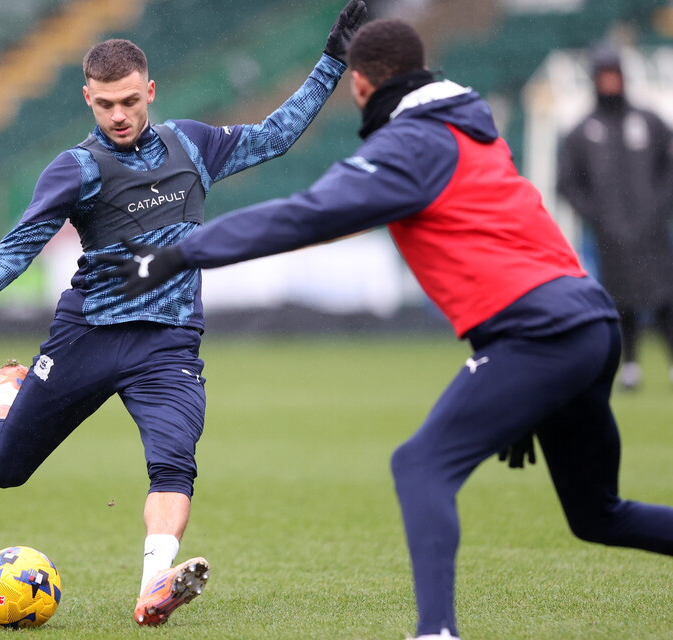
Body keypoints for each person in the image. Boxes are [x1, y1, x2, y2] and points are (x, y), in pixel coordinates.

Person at [100, 19, 673, 640]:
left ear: (364, 87)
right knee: (598, 515)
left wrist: (181, 252)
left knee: (419, 466)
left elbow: (305, 215)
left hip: (543, 335)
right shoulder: (470, 127)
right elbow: (508, 250)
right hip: (588, 322)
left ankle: (435, 634)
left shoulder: (409, 147)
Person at [0, 0, 367, 627]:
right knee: (4, 470)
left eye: (131, 102)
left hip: (167, 346)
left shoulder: (192, 144)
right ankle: (5, 396)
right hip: (87, 336)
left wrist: (332, 60)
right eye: (106, 103)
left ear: (150, 91)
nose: (120, 115)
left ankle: (153, 588)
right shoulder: (76, 169)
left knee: (174, 462)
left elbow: (274, 135)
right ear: (88, 97)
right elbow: (17, 248)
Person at [557, 45, 673, 391]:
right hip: (611, 235)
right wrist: (598, 217)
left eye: (614, 74)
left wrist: (659, 206)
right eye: (603, 75)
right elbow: (568, 184)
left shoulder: (650, 122)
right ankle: (630, 366)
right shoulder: (581, 132)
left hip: (653, 230)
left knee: (665, 296)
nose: (609, 81)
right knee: (620, 300)